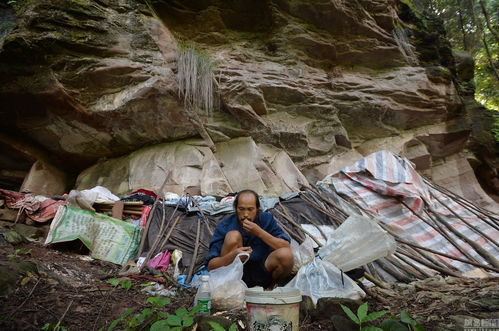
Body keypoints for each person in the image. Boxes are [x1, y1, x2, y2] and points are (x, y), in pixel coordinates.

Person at [206, 190, 294, 288]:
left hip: (263, 272)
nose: (245, 214)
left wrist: (259, 232)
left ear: (257, 209)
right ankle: (230, 289)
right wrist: (233, 255)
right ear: (235, 209)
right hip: (234, 277)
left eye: (250, 209)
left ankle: (270, 289)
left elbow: (285, 246)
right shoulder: (225, 226)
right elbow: (211, 266)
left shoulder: (266, 220)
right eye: (241, 209)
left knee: (286, 255)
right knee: (233, 236)